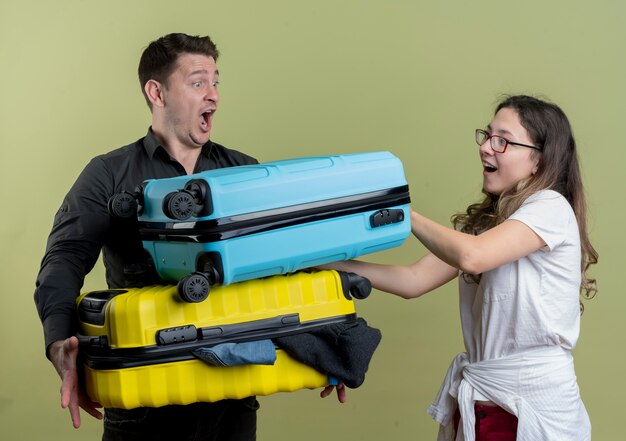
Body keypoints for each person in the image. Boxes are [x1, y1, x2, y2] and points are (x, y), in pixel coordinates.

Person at [34, 32, 348, 441]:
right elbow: (64, 259)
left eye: (216, 82)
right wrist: (58, 342)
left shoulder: (244, 173)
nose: (213, 95)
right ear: (157, 92)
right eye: (199, 82)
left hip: (231, 393)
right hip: (143, 399)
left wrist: (328, 336)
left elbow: (289, 264)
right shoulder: (108, 174)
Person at [320, 95, 597, 440]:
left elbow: (472, 257)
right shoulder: (488, 225)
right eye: (487, 136)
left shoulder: (551, 208)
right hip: (484, 399)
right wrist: (323, 263)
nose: (485, 148)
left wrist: (401, 213)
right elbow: (413, 280)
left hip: (530, 405)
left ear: (538, 160)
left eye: (503, 141)